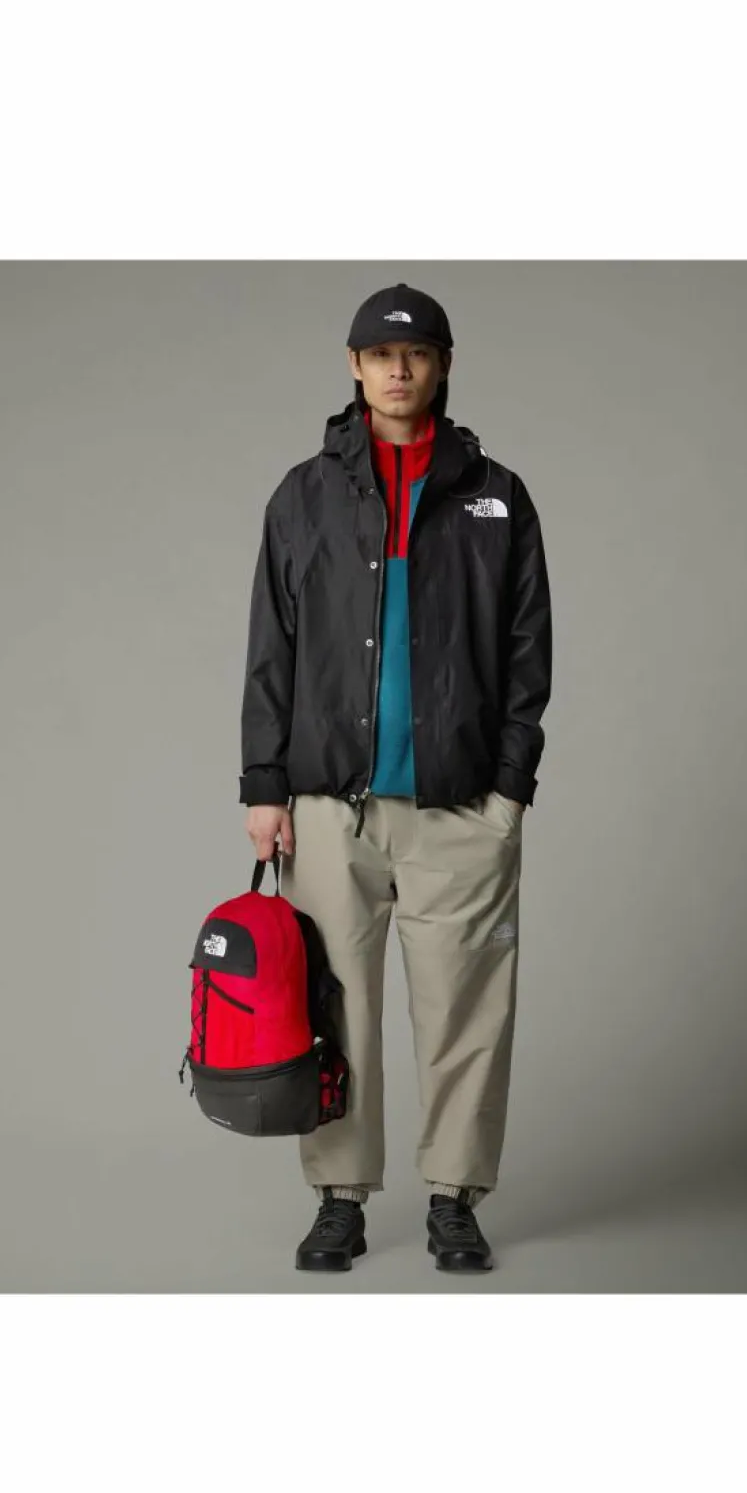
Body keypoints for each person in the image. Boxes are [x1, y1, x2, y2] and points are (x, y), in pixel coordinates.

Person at [238, 280, 552, 1273]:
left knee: (467, 1010)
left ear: (444, 365)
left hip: (462, 808)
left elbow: (528, 653)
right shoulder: (304, 496)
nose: (399, 370)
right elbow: (271, 649)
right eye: (380, 354)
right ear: (354, 366)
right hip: (331, 809)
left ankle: (455, 1199)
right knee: (335, 1014)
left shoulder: (497, 496)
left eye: (416, 354)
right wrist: (263, 786)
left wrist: (508, 794)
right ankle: (339, 1200)